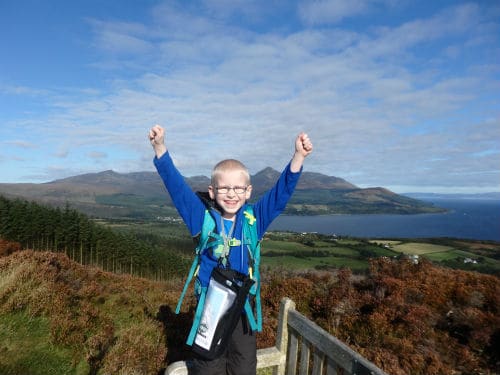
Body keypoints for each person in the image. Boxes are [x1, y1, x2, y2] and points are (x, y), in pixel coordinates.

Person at [149, 124, 313, 375]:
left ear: (248, 192)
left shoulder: (253, 220)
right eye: (224, 188)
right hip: (210, 307)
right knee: (209, 367)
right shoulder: (201, 218)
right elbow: (177, 189)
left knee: (244, 366)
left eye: (238, 188)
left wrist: (298, 157)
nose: (231, 194)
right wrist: (160, 148)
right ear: (213, 192)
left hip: (242, 307)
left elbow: (280, 195)